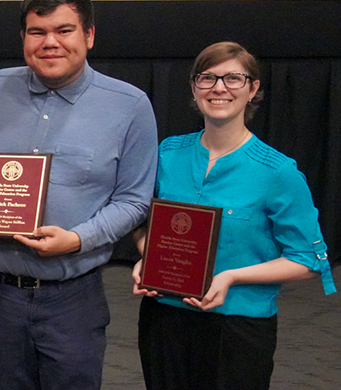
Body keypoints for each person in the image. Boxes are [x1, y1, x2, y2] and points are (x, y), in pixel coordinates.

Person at [0, 0, 158, 390]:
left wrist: (76, 239)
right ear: (23, 37)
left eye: (64, 30)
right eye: (37, 32)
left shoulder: (128, 106)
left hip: (72, 298)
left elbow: (134, 199)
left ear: (89, 35)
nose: (50, 43)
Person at [131, 41, 335, 390]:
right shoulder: (167, 153)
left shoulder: (278, 172)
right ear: (194, 88)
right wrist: (147, 256)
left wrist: (230, 277)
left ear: (253, 88)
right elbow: (139, 220)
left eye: (233, 78)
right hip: (163, 316)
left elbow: (307, 260)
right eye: (207, 78)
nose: (219, 88)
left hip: (237, 326)